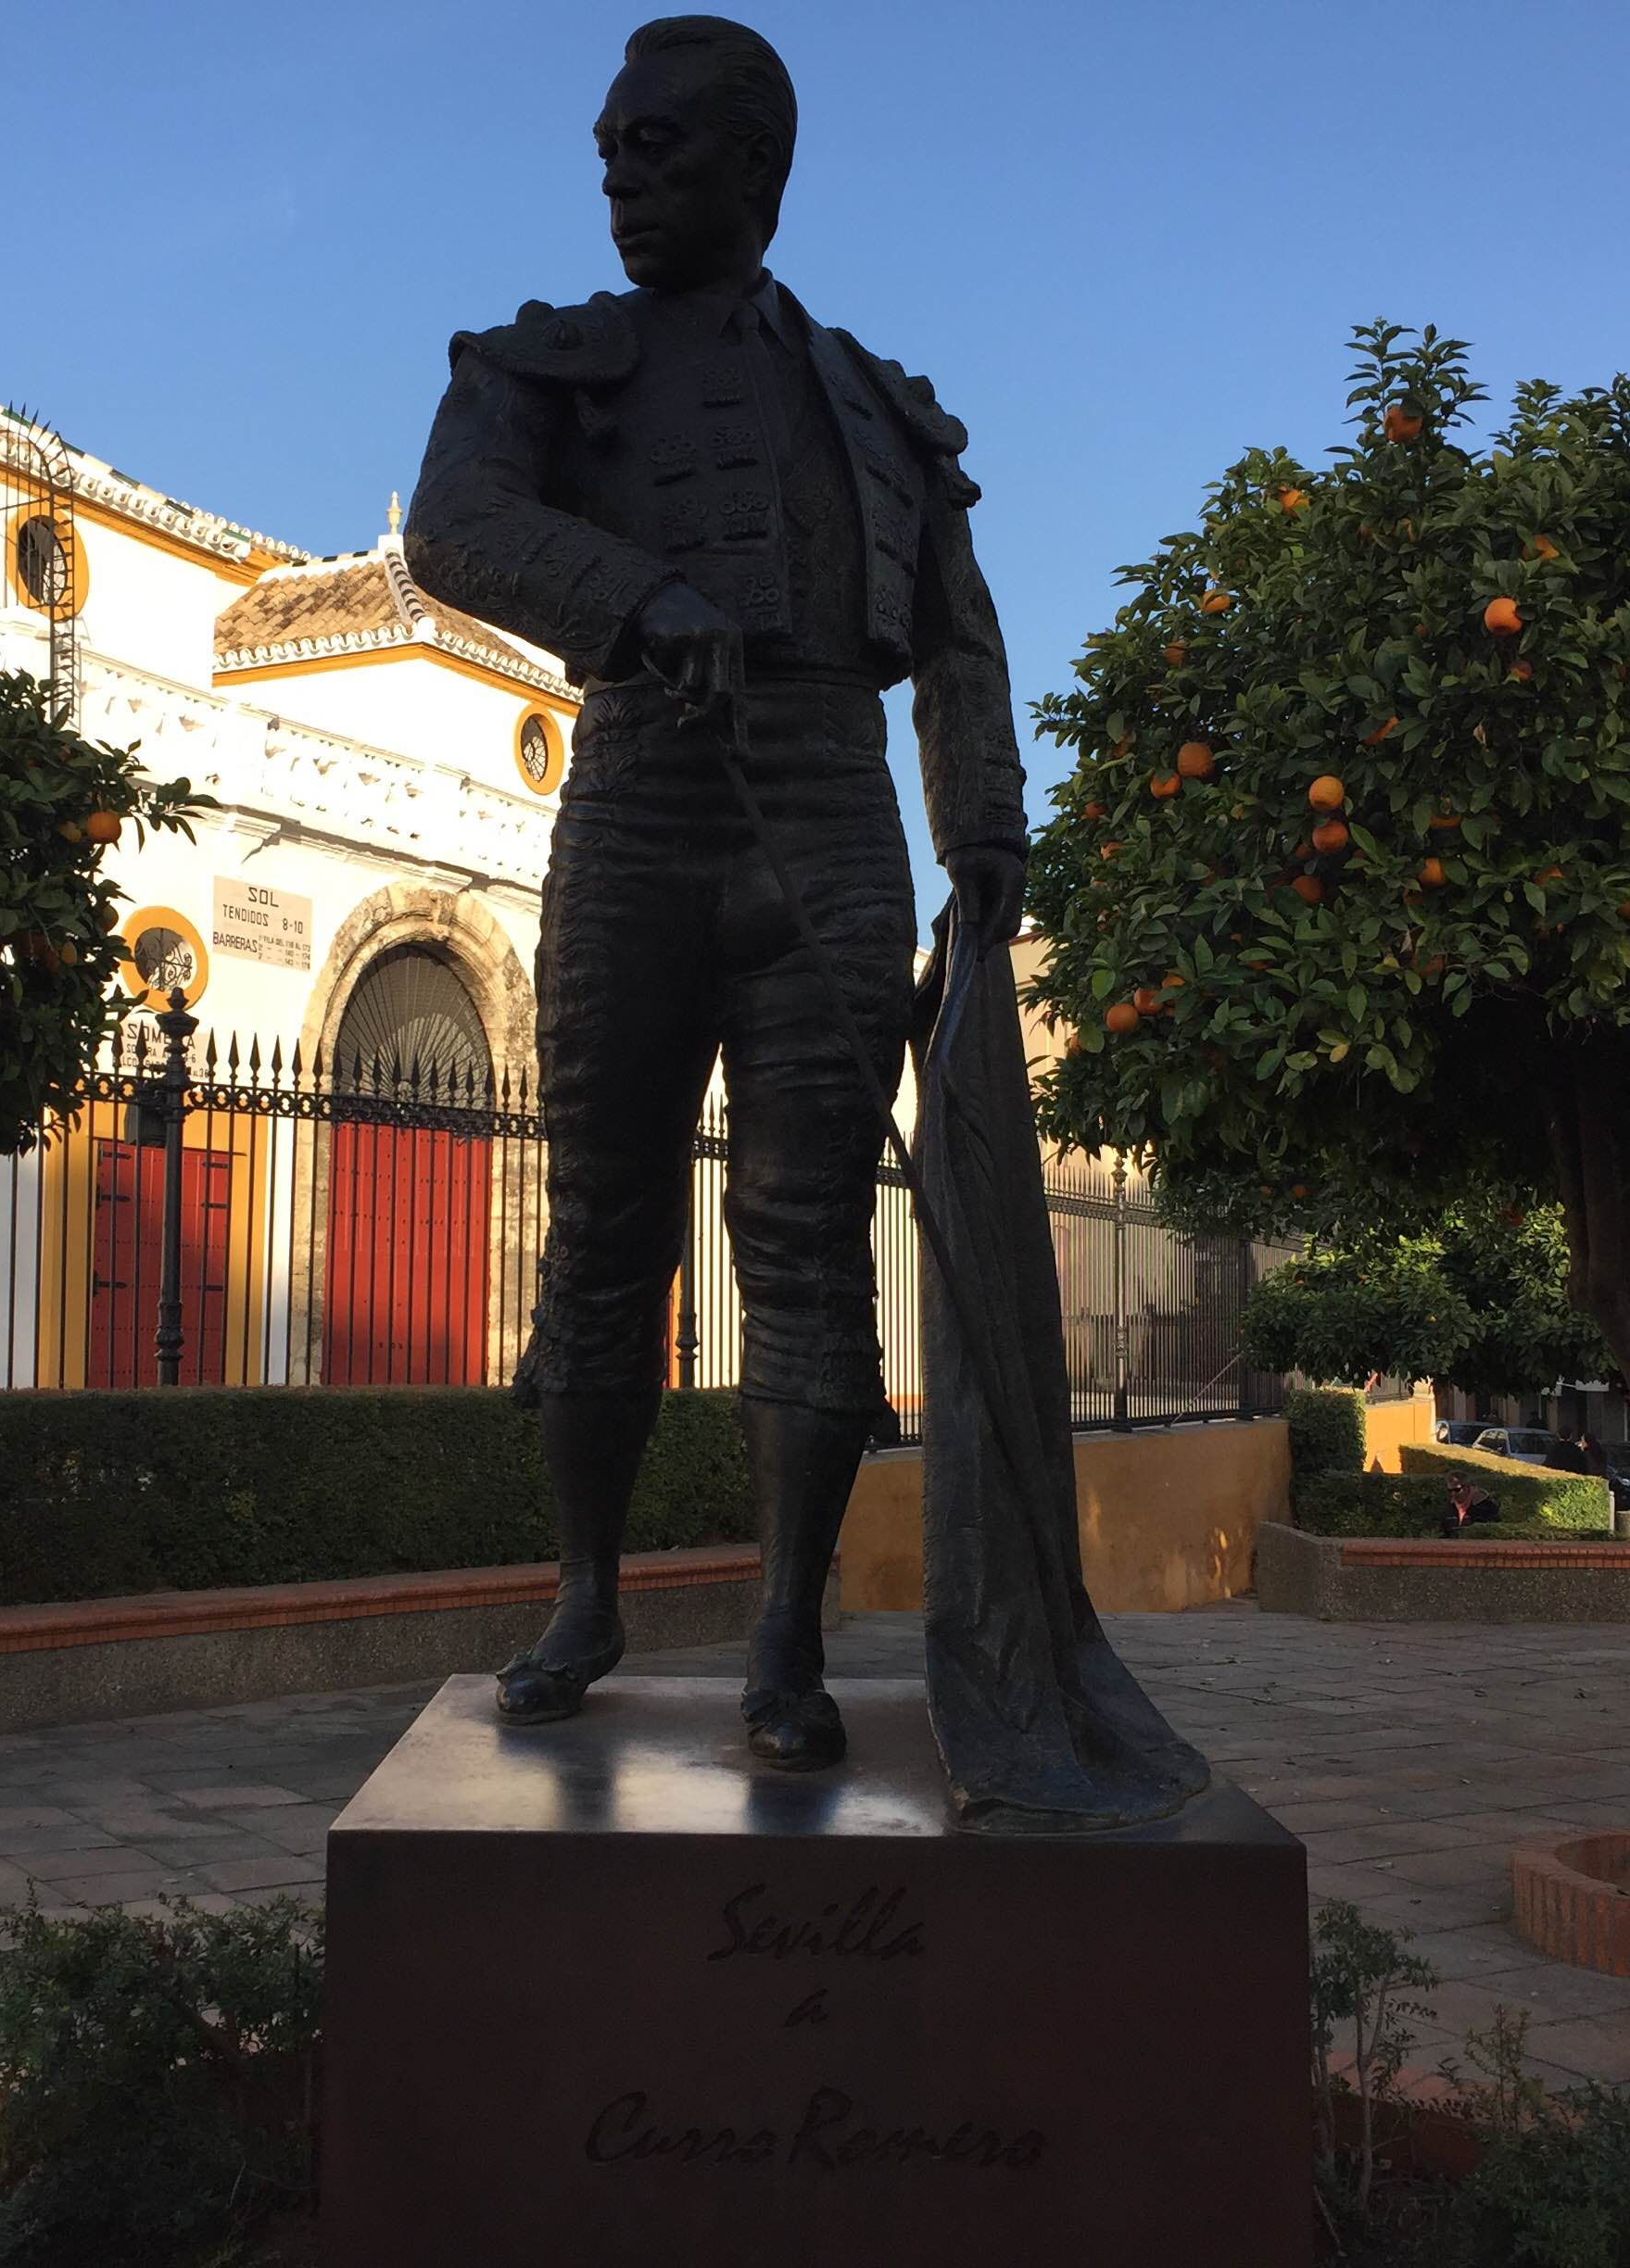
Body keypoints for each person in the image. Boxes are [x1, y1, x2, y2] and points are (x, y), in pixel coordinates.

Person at [404, 16, 1028, 1770]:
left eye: (655, 145)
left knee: (810, 1247)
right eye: (610, 146)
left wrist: (986, 831)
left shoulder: (883, 407)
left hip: (827, 805)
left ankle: (785, 1636)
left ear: (754, 167)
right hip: (642, 795)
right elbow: (453, 524)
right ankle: (587, 1593)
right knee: (604, 1228)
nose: (618, 172)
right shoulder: (543, 362)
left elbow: (960, 639)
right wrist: (633, 596)